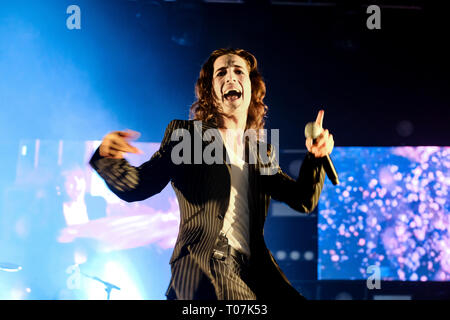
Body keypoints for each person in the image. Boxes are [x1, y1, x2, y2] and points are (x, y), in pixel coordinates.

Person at [89, 48, 334, 300]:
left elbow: (302, 199)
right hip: (207, 264)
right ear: (210, 92)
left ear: (252, 88)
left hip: (255, 271)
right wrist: (108, 159)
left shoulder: (260, 150)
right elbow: (139, 185)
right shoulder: (189, 137)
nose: (230, 78)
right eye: (221, 73)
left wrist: (315, 159)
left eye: (239, 71)